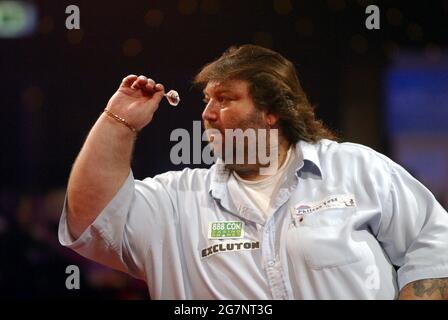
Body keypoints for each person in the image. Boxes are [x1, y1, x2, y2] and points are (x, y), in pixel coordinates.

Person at [58, 44, 448, 299]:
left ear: (271, 110)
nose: (207, 114)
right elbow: (93, 218)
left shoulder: (355, 168)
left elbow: (434, 246)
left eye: (225, 100)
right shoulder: (176, 202)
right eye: (207, 100)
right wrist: (117, 121)